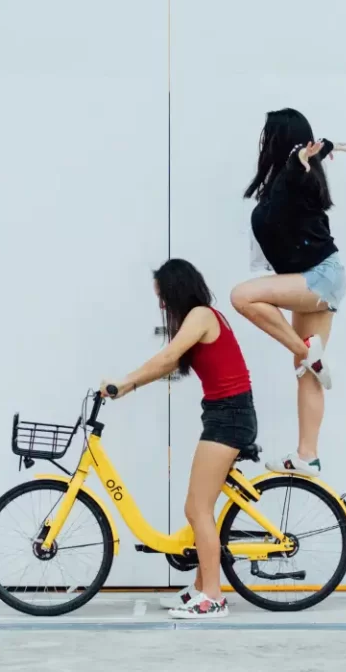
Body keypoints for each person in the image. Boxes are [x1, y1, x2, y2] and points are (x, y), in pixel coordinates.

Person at [101, 258, 257, 619]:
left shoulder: (202, 315)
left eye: (163, 296)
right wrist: (129, 387)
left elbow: (169, 355)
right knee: (200, 508)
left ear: (176, 290)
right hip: (224, 414)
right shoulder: (199, 319)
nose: (161, 304)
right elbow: (171, 364)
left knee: (196, 508)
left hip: (229, 418)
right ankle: (202, 587)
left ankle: (213, 597)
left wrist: (122, 382)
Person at [230, 108, 346, 478]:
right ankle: (307, 455)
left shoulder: (297, 174)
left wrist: (302, 157)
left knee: (242, 297)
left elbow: (296, 168)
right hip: (316, 276)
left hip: (319, 277)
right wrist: (319, 148)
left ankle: (306, 353)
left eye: (268, 136)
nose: (263, 143)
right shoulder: (289, 179)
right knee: (307, 373)